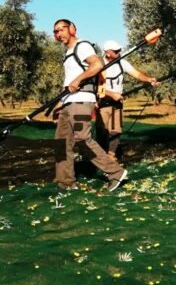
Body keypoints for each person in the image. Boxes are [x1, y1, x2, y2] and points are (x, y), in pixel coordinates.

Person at [52, 20, 128, 192]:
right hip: (68, 103)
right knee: (61, 143)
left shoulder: (82, 46)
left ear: (72, 29)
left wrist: (78, 80)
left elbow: (97, 65)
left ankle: (116, 172)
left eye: (62, 29)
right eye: (55, 31)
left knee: (83, 140)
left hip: (81, 102)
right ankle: (66, 182)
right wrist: (59, 106)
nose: (59, 34)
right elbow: (68, 84)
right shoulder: (69, 53)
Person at [96, 40, 159, 161]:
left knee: (116, 130)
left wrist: (149, 79)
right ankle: (100, 157)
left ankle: (111, 155)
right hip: (103, 103)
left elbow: (136, 73)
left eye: (119, 50)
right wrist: (111, 94)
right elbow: (94, 87)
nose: (119, 52)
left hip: (117, 103)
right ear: (107, 53)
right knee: (102, 131)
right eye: (116, 51)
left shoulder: (122, 63)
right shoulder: (99, 64)